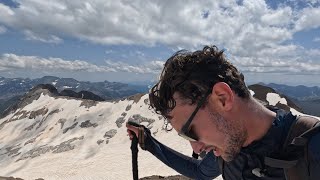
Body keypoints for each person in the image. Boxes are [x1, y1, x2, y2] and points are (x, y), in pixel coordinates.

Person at [126, 45, 320, 180]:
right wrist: (149, 143)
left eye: (190, 131)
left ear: (223, 98)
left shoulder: (313, 148)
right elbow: (200, 172)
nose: (196, 149)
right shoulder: (228, 146)